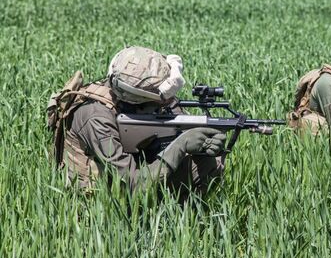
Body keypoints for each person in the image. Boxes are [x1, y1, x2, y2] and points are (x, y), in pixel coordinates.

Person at [47, 46, 226, 200]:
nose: (166, 104)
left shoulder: (145, 100)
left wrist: (204, 143)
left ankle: (181, 223)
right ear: (140, 102)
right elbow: (134, 186)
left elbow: (178, 123)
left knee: (206, 163)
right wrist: (180, 146)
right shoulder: (95, 118)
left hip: (131, 173)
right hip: (99, 199)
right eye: (159, 102)